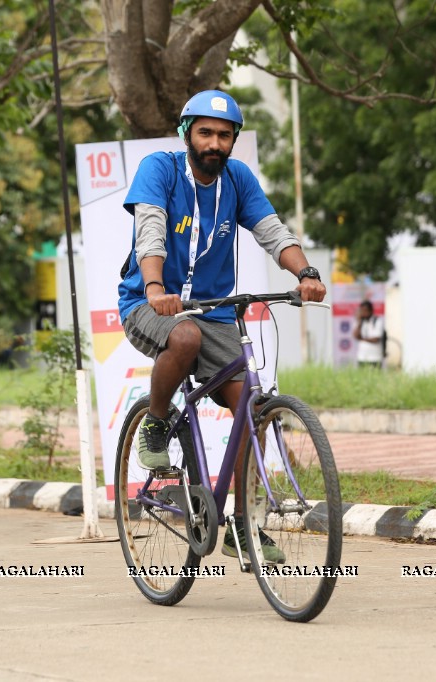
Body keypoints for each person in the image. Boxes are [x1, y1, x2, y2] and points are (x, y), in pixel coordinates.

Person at [117, 90, 326, 563]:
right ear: (187, 133)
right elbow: (149, 232)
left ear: (233, 141)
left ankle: (242, 524)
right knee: (184, 337)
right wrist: (153, 287)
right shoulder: (160, 169)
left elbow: (272, 231)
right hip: (149, 303)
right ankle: (155, 420)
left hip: (214, 310)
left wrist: (306, 274)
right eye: (205, 132)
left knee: (251, 410)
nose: (214, 143)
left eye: (224, 135)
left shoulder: (238, 179)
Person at [354, 299, 385, 369]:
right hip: (362, 357)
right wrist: (359, 322)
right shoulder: (360, 321)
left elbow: (376, 339)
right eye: (361, 311)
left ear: (371, 311)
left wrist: (362, 339)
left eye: (365, 311)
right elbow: (356, 336)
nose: (363, 313)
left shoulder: (377, 321)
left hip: (375, 357)